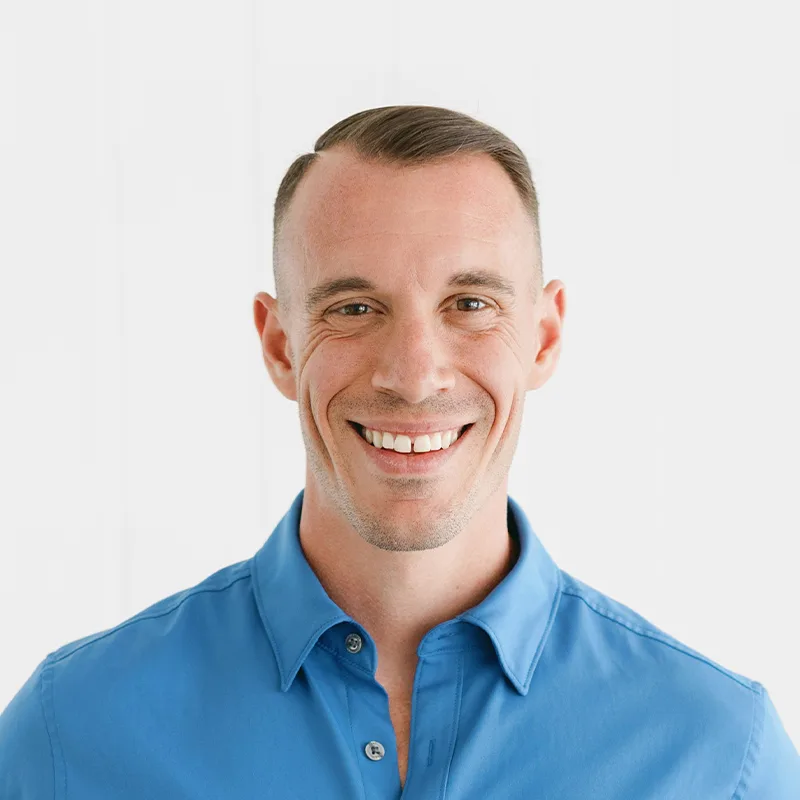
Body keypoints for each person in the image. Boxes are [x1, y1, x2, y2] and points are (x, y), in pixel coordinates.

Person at [1, 105, 798, 799]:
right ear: (279, 346)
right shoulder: (71, 733)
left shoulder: (719, 754)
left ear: (544, 337)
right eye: (354, 308)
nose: (414, 376)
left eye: (470, 303)